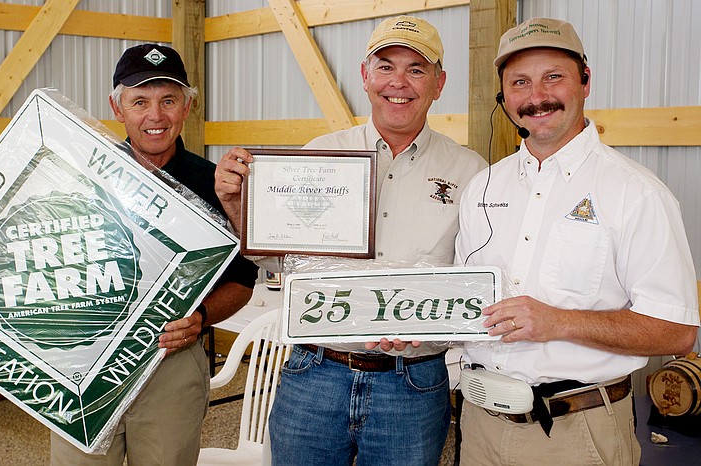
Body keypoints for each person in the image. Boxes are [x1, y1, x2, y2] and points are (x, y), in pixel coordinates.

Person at [0, 43, 259, 466]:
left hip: (170, 364)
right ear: (118, 109)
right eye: (140, 101)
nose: (156, 116)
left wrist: (201, 318)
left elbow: (244, 282)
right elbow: (12, 236)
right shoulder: (71, 172)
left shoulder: (215, 184)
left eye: (168, 100)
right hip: (80, 366)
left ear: (186, 107)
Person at [215, 16, 487, 465]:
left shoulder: (471, 171)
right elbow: (274, 258)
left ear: (439, 84)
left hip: (413, 383)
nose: (399, 82)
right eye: (385, 66)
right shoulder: (320, 155)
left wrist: (431, 325)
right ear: (365, 76)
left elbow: (477, 280)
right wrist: (237, 204)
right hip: (315, 372)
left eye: (417, 69)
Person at [454, 17, 699, 465]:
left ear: (585, 83)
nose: (536, 97)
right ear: (504, 97)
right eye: (520, 82)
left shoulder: (635, 192)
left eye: (554, 77)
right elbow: (462, 303)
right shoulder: (483, 188)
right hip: (480, 426)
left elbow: (678, 332)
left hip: (579, 433)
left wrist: (560, 322)